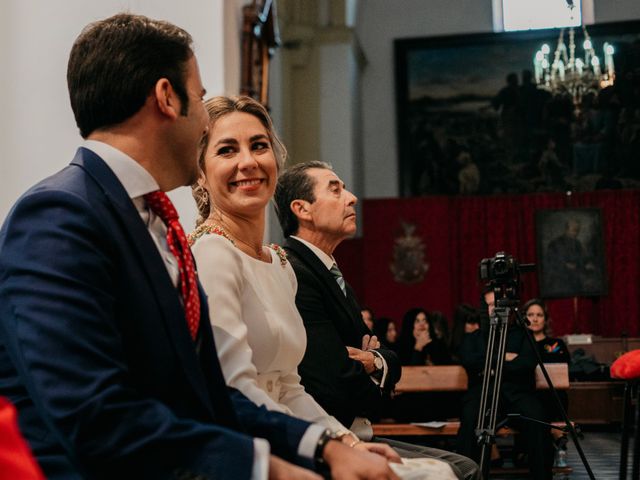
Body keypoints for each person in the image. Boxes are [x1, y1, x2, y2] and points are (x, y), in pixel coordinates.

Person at [0, 13, 391, 480]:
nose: (206, 118)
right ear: (168, 97)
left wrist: (323, 446)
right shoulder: (59, 215)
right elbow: (93, 416)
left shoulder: (155, 224)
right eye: (202, 97)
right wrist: (269, 469)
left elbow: (207, 392)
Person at [187, 95, 400, 466]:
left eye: (259, 146)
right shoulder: (212, 254)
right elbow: (233, 390)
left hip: (296, 437)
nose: (248, 162)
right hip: (250, 452)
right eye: (227, 150)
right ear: (201, 172)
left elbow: (289, 386)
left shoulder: (280, 264)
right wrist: (327, 451)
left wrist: (347, 443)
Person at [274, 161, 481, 480]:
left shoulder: (331, 274)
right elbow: (334, 382)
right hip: (330, 436)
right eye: (335, 189)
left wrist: (376, 361)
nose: (352, 197)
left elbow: (382, 353)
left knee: (465, 466)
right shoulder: (296, 273)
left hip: (357, 428)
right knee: (462, 471)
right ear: (302, 209)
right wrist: (376, 368)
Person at [456, 288, 553, 479]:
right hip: (483, 392)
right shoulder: (473, 338)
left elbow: (527, 363)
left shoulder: (523, 334)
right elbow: (468, 360)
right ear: (484, 308)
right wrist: (505, 359)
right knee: (469, 419)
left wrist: (490, 365)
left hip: (518, 393)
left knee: (538, 418)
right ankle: (468, 476)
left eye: (499, 304)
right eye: (491, 304)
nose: (495, 309)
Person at [524, 298, 571, 468]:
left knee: (554, 393)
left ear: (545, 319)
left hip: (552, 395)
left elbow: (561, 371)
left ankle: (558, 443)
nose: (535, 319)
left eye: (539, 315)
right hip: (527, 396)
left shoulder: (555, 344)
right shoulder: (518, 343)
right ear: (524, 318)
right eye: (530, 315)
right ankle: (554, 440)